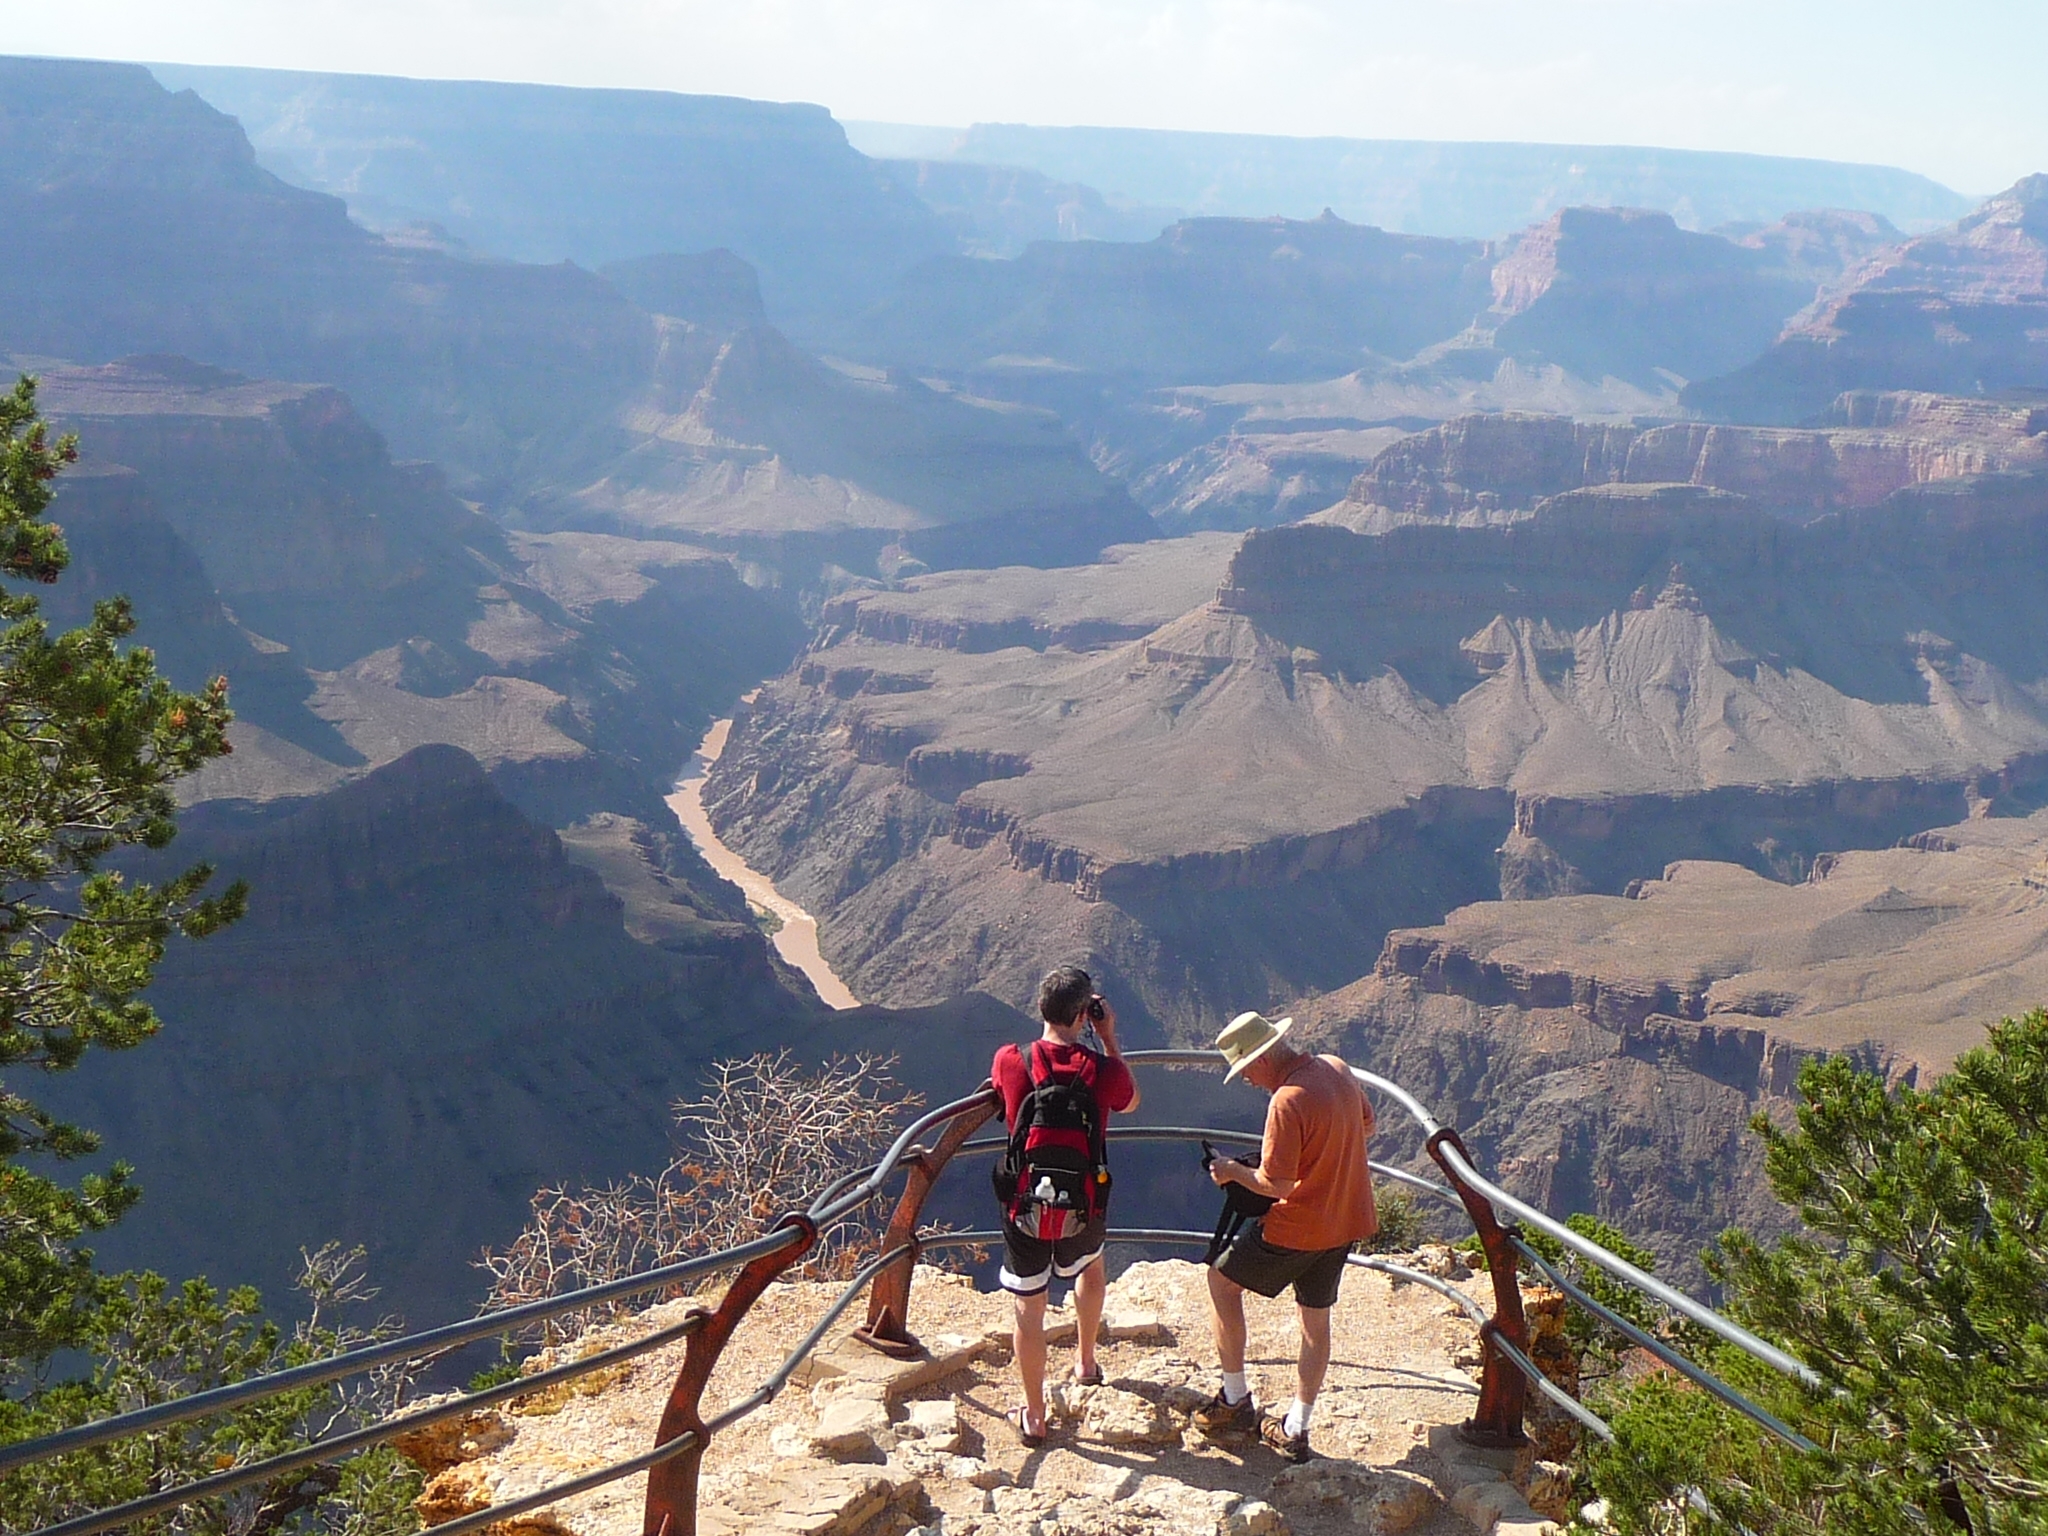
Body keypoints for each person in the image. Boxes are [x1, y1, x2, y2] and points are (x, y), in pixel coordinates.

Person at [1193, 1010, 1376, 1462]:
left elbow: (1277, 1186)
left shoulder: (1286, 1100)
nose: (1250, 1082)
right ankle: (1296, 1427)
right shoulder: (1336, 1067)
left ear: (1261, 1059)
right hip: (1347, 1217)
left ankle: (1235, 1400)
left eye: (1246, 1072)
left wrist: (1232, 1170)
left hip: (1298, 1229)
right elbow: (1367, 1124)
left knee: (1221, 1282)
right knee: (1315, 1322)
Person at [990, 965, 1139, 1447]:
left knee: (1028, 1312)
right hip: (1084, 1203)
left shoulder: (1011, 1059)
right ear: (1084, 1014)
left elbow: (1000, 1095)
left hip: (1025, 1206)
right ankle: (1086, 1361)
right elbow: (1131, 1101)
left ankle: (1034, 1415)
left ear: (1040, 1007)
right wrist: (1109, 1038)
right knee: (1090, 1274)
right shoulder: (1102, 1070)